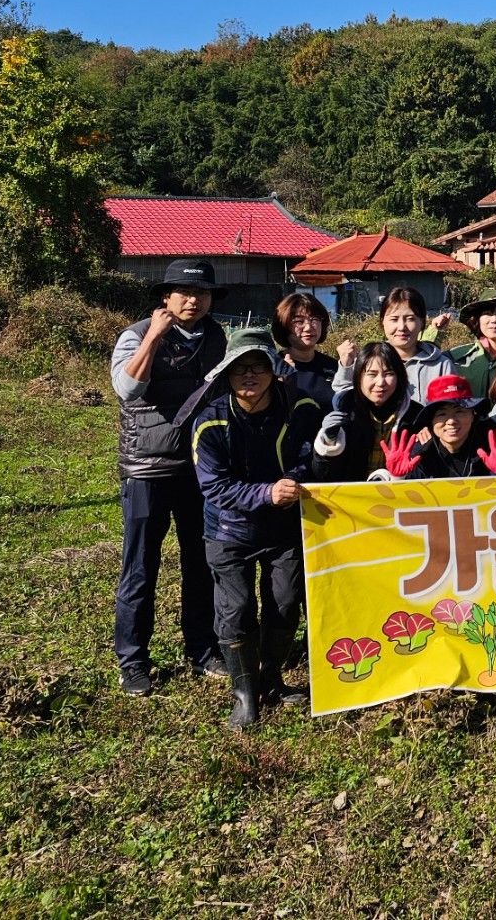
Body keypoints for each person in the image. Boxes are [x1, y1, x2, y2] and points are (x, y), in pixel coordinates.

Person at [109, 258, 228, 695]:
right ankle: (133, 661)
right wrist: (155, 337)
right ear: (166, 297)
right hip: (148, 469)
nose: (193, 300)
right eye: (184, 292)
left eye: (202, 293)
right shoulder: (136, 334)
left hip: (199, 470)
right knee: (140, 568)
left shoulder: (217, 337)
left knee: (201, 565)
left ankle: (201, 649)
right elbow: (126, 388)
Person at [190, 327, 319, 727]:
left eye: (259, 367)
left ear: (274, 371)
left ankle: (272, 678)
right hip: (230, 532)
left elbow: (309, 456)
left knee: (285, 602)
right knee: (238, 608)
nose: (250, 375)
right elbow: (214, 487)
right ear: (227, 374)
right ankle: (244, 694)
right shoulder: (209, 424)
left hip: (283, 530)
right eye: (240, 368)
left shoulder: (301, 409)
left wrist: (294, 481)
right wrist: (266, 494)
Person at [313, 341, 424, 482]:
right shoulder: (345, 411)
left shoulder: (416, 416)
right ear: (358, 377)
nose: (380, 382)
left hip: (399, 499)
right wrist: (328, 442)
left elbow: (426, 472)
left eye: (389, 373)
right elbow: (323, 475)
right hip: (352, 499)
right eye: (372, 374)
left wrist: (400, 476)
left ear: (399, 376)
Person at [331, 286, 455, 403]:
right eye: (394, 319)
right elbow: (343, 401)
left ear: (422, 322)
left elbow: (450, 409)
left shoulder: (441, 366)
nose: (402, 327)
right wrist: (346, 366)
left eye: (410, 319)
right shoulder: (367, 361)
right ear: (382, 322)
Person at [379, 374, 496, 479]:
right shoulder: (418, 456)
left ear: (473, 414)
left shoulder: (494, 447)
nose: (451, 421)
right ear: (431, 421)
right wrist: (398, 477)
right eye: (442, 414)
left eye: (459, 411)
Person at [435, 290, 496, 402]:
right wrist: (435, 332)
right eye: (487, 313)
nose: (494, 320)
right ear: (477, 319)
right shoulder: (456, 357)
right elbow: (423, 361)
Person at [272, 291, 336, 408]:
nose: (308, 327)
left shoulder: (334, 367)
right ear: (284, 326)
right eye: (299, 321)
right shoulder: (274, 369)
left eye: (314, 319)